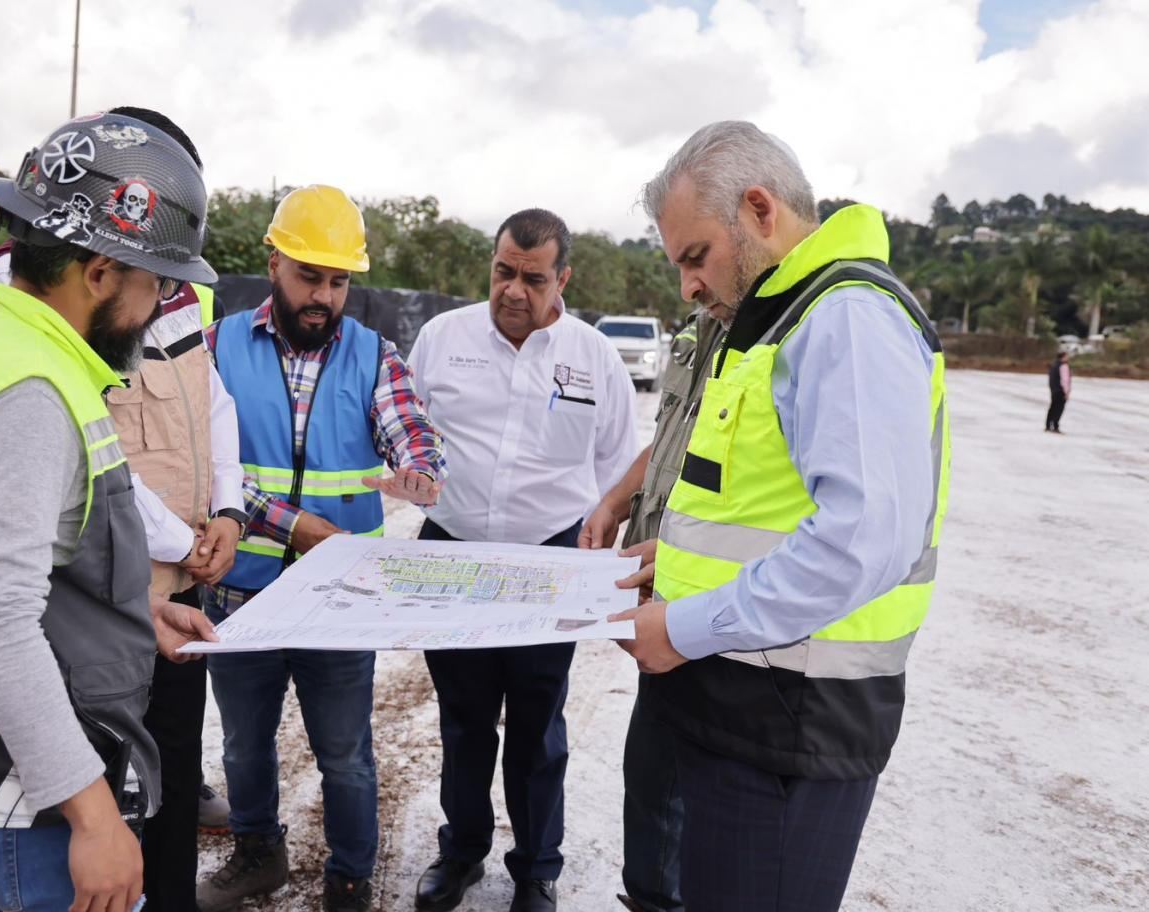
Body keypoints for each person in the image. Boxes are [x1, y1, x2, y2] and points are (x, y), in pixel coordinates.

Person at [611, 121, 951, 911]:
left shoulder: (846, 318)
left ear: (759, 211)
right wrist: (683, 556)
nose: (688, 287)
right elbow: (771, 508)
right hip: (751, 709)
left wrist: (683, 626)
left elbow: (863, 540)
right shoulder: (779, 318)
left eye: (695, 257)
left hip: (793, 727)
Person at [0, 111, 221, 912]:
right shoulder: (30, 395)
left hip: (20, 779)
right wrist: (93, 816)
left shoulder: (28, 354)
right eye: (155, 283)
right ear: (101, 273)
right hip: (30, 796)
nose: (158, 307)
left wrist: (134, 611)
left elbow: (38, 564)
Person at [197, 184, 448, 912]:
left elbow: (410, 428)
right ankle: (257, 854)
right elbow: (204, 470)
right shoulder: (217, 349)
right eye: (310, 275)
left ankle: (348, 877)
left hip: (341, 600)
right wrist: (293, 526)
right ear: (272, 262)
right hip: (241, 590)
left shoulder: (374, 355)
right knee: (244, 746)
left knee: (345, 755)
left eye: (338, 281)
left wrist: (419, 469)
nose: (324, 296)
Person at [406, 208, 640, 912]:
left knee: (538, 724)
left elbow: (621, 468)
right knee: (464, 718)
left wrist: (604, 561)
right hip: (452, 554)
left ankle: (536, 867)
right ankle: (462, 851)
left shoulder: (593, 358)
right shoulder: (441, 340)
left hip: (550, 559)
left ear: (562, 278)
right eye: (503, 271)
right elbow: (406, 431)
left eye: (532, 278)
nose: (513, 289)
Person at [578, 310, 724, 912]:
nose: (688, 285)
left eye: (695, 258)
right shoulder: (702, 322)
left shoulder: (776, 332)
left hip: (715, 604)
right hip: (664, 596)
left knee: (684, 793)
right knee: (650, 779)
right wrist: (616, 499)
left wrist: (691, 553)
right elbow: (671, 437)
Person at [1046, 351, 1071, 432]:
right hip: (1060, 391)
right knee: (1059, 409)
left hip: (1054, 390)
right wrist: (1066, 392)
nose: (1068, 358)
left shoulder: (1053, 366)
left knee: (1052, 408)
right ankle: (1055, 426)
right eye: (1067, 356)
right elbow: (1065, 380)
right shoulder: (1064, 366)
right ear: (1063, 357)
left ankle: (1048, 425)